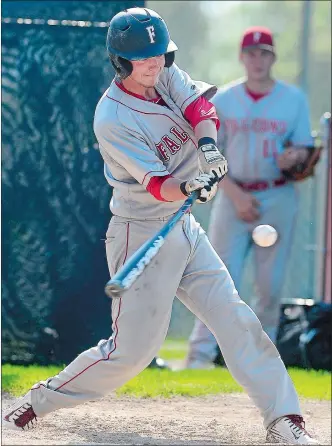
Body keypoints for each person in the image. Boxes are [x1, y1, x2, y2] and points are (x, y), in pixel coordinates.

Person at [3, 10, 318, 445]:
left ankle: (284, 418)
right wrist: (191, 183)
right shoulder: (112, 118)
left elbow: (200, 109)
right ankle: (41, 400)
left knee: (235, 319)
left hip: (184, 228)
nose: (155, 63)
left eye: (159, 55)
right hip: (142, 229)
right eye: (143, 59)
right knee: (130, 354)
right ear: (119, 62)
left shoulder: (164, 74)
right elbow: (157, 185)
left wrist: (209, 151)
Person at [185, 26, 314, 369]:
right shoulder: (224, 99)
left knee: (269, 287)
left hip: (277, 196)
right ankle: (199, 357)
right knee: (217, 277)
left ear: (273, 57)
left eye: (265, 53)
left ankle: (260, 362)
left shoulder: (292, 98)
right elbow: (208, 154)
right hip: (232, 194)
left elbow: (304, 148)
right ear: (242, 58)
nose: (258, 59)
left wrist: (296, 157)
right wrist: (235, 195)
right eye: (252, 53)